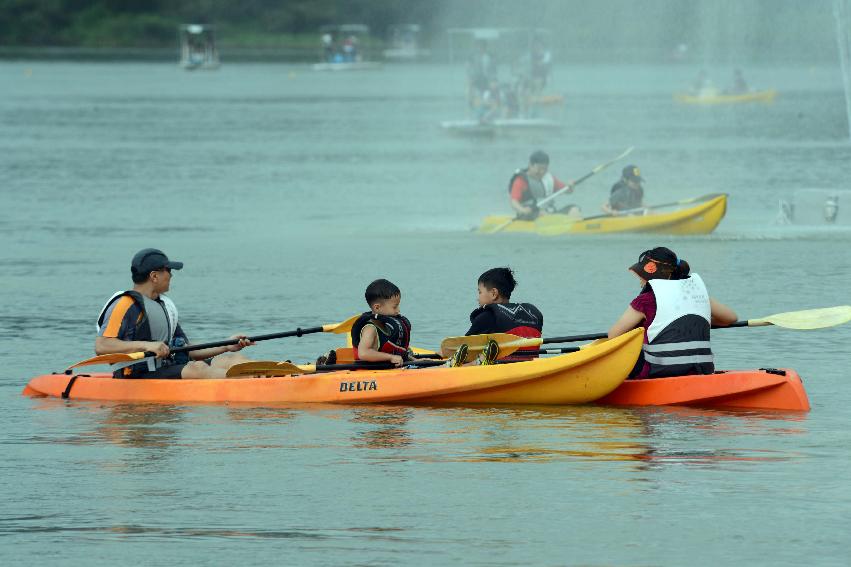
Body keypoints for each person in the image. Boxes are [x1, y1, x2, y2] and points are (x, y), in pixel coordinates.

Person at [95, 248, 255, 379]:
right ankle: (252, 386)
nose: (171, 275)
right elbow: (102, 346)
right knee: (197, 369)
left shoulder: (164, 306)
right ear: (154, 276)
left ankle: (266, 376)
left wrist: (225, 345)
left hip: (166, 368)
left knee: (230, 360)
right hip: (135, 375)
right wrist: (146, 345)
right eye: (168, 270)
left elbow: (188, 350)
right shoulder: (124, 304)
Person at [607, 247, 738, 379]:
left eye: (642, 274)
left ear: (652, 273)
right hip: (701, 369)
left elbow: (613, 335)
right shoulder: (695, 294)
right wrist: (695, 323)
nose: (640, 279)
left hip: (658, 372)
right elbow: (730, 318)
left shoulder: (645, 301)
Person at [454, 267, 543, 366]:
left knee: (457, 361)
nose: (478, 298)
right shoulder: (532, 313)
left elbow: (464, 349)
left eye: (480, 292)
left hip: (500, 370)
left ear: (493, 293)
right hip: (529, 367)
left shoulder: (487, 316)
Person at [350, 279, 415, 367]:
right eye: (395, 307)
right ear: (377, 307)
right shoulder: (370, 328)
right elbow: (363, 353)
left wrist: (416, 360)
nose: (398, 310)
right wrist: (391, 357)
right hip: (370, 372)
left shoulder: (387, 326)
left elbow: (396, 352)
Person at [509, 150, 578, 221]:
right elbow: (514, 202)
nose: (542, 172)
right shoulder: (521, 180)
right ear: (530, 165)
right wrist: (522, 210)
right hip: (529, 215)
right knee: (541, 213)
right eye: (539, 169)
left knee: (574, 209)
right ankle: (553, 221)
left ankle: (576, 227)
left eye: (544, 169)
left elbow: (567, 191)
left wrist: (570, 186)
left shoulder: (549, 179)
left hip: (549, 213)